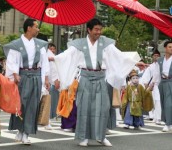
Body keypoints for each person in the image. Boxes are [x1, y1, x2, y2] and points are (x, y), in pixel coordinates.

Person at [54, 18, 143, 147]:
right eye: (96, 29)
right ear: (89, 30)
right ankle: (83, 137)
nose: (98, 32)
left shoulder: (106, 44)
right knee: (84, 108)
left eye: (100, 29)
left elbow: (119, 56)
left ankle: (101, 136)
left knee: (103, 108)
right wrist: (53, 58)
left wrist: (135, 63)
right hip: (85, 78)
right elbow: (67, 55)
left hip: (101, 78)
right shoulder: (79, 44)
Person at [3, 18, 50, 145]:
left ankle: (26, 133)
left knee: (32, 105)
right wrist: (14, 74)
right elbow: (11, 61)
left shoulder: (40, 45)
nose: (38, 29)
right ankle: (20, 129)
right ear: (29, 28)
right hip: (22, 76)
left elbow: (44, 62)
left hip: (35, 76)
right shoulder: (16, 44)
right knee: (20, 104)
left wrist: (46, 78)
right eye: (36, 26)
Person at [153, 40, 172, 132]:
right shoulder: (160, 60)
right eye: (170, 47)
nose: (171, 49)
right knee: (164, 104)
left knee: (169, 104)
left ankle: (168, 124)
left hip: (171, 82)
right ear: (165, 48)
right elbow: (156, 73)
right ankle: (167, 122)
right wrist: (152, 84)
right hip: (162, 83)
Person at [141, 49, 162, 125]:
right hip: (152, 86)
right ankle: (154, 116)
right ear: (152, 57)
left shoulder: (161, 64)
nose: (156, 57)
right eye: (154, 55)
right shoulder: (150, 66)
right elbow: (146, 77)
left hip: (159, 85)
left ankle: (158, 118)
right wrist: (147, 84)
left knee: (158, 101)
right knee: (153, 101)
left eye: (157, 55)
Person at [46, 43, 60, 130]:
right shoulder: (48, 55)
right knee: (47, 101)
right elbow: (52, 70)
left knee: (48, 101)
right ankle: (46, 120)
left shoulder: (52, 57)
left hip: (48, 81)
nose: (52, 50)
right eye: (50, 48)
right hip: (46, 81)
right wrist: (55, 80)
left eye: (53, 48)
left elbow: (54, 70)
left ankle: (47, 120)